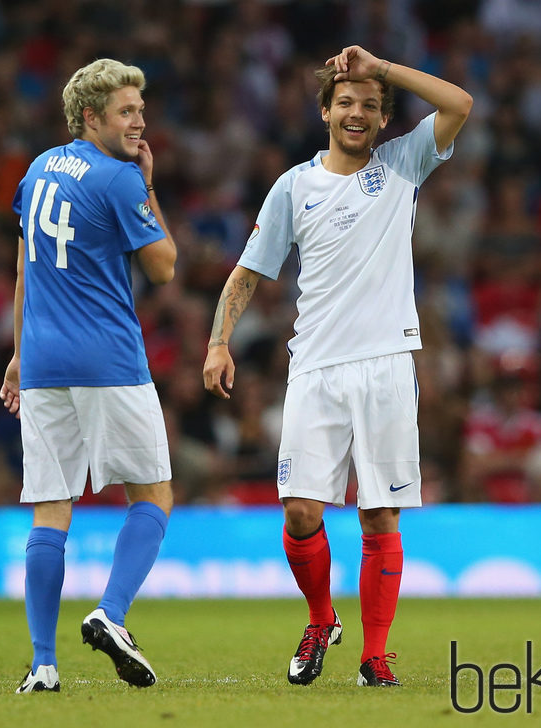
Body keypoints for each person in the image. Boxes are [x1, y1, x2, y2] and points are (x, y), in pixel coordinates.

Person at [203, 45, 471, 687]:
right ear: (325, 110)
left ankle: (374, 655)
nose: (358, 113)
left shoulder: (403, 164)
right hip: (315, 369)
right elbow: (247, 272)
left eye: (370, 105)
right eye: (346, 102)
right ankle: (322, 618)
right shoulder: (294, 186)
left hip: (384, 365)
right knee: (300, 511)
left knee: (379, 516)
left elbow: (459, 103)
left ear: (382, 118)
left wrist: (381, 68)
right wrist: (218, 342)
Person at [0, 58, 177, 694]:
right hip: (107, 359)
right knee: (153, 495)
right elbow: (163, 267)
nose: (139, 121)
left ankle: (43, 664)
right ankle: (113, 614)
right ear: (90, 117)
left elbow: (25, 269)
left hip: (44, 364)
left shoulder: (37, 168)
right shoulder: (117, 178)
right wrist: (147, 185)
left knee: (51, 509)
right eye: (126, 112)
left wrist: (19, 354)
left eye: (140, 109)